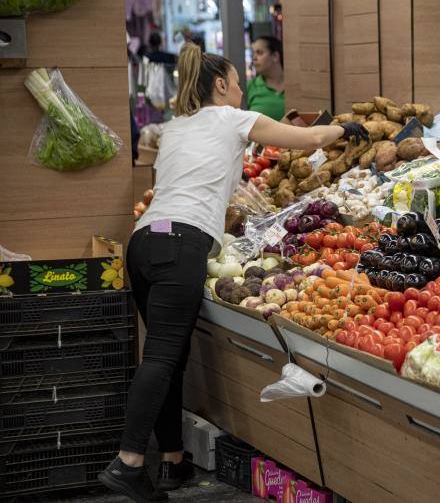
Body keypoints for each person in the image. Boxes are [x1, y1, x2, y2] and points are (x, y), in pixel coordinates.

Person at [98, 42, 368, 502]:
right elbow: (308, 140)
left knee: (170, 357)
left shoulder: (177, 127)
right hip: (180, 244)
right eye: (237, 80)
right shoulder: (229, 118)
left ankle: (173, 463)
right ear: (221, 85)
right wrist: (342, 126)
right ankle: (128, 463)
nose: (242, 87)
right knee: (162, 357)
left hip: (144, 242)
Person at [248, 36, 285, 120]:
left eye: (259, 53)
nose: (254, 58)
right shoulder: (250, 86)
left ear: (275, 56)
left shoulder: (295, 84)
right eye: (253, 53)